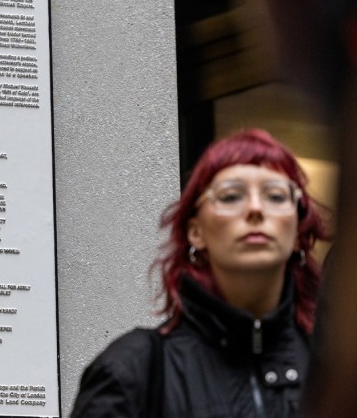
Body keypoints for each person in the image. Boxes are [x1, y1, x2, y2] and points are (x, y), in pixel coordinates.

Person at [70, 129, 330, 417]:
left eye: (276, 196)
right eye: (231, 196)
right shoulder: (133, 372)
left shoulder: (337, 370)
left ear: (297, 232)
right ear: (196, 232)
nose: (256, 209)